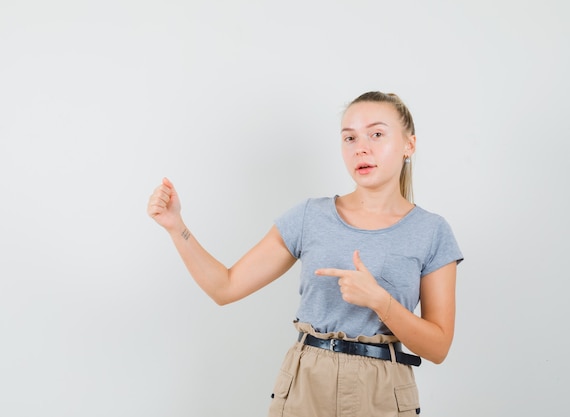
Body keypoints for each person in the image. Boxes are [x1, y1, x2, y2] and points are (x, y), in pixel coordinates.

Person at [147, 91, 463, 416]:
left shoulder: (431, 231)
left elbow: (438, 348)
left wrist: (380, 302)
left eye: (377, 134)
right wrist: (176, 226)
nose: (361, 147)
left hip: (383, 392)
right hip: (306, 384)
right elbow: (224, 287)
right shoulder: (310, 217)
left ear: (409, 144)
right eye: (349, 138)